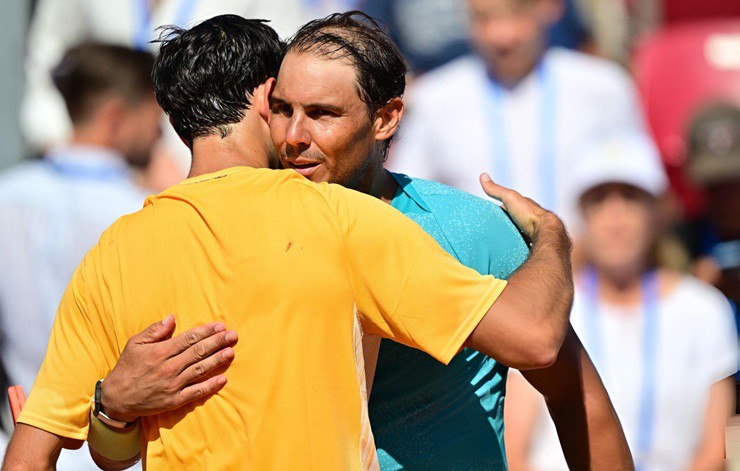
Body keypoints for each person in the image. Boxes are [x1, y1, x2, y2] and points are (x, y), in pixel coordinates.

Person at [3, 15, 576, 470]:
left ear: (177, 122)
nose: (297, 133)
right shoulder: (340, 217)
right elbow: (536, 338)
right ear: (265, 100)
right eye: (286, 107)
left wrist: (111, 409)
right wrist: (551, 237)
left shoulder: (114, 251)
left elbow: (52, 458)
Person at [504, 132, 738, 471]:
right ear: (581, 213)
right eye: (599, 200)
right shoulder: (546, 305)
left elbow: (716, 449)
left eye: (631, 197)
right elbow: (515, 447)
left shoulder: (704, 309)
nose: (616, 217)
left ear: (658, 211)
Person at [0, 43, 160, 470]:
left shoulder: (6, 197)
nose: (161, 132)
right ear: (115, 118)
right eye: (154, 117)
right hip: (118, 454)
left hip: (18, 443)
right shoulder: (148, 212)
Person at [389, 0, 654, 229]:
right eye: (484, 18)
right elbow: (404, 201)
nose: (502, 35)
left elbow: (643, 193)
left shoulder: (604, 87)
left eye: (516, 13)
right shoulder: (435, 98)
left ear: (549, 7)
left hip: (587, 277)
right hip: (476, 277)